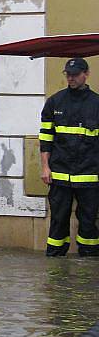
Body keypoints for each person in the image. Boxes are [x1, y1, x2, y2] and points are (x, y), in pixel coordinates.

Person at [39, 57, 99, 257]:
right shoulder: (55, 102)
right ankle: (55, 266)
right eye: (68, 75)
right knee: (58, 220)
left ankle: (89, 261)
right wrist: (45, 167)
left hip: (89, 176)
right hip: (60, 175)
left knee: (89, 220)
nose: (70, 78)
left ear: (86, 74)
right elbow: (46, 138)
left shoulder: (96, 104)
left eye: (74, 75)